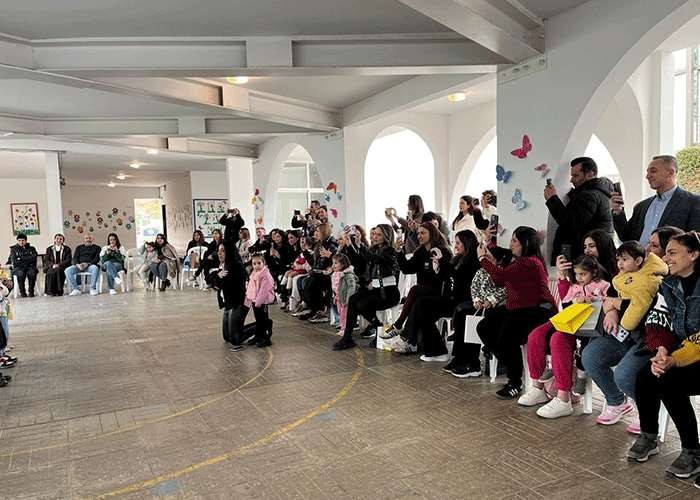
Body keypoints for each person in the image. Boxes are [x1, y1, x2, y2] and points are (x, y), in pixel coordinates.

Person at [625, 231, 700, 484]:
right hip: (680, 352)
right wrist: (660, 350)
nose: (665, 258)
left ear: (693, 254)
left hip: (694, 354)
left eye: (672, 253)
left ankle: (692, 450)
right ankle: (649, 436)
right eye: (666, 253)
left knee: (670, 381)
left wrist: (674, 360)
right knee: (645, 376)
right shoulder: (668, 284)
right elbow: (657, 322)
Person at [518, 256, 611, 418]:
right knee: (535, 335)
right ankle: (537, 387)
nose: (579, 277)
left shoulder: (604, 284)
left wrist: (594, 299)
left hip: (588, 325)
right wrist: (570, 291)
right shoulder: (575, 285)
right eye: (577, 274)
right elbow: (566, 302)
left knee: (557, 339)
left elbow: (609, 302)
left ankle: (564, 397)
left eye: (582, 274)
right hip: (570, 318)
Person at [475, 226, 557, 399]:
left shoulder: (530, 263)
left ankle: (515, 381)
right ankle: (504, 360)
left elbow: (500, 277)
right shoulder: (518, 261)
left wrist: (482, 259)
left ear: (525, 244)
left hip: (539, 310)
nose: (511, 244)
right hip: (519, 307)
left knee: (506, 336)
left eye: (514, 241)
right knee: (484, 327)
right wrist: (491, 258)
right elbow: (501, 279)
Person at [394, 230, 481, 362]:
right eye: (455, 242)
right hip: (450, 298)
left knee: (421, 303)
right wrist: (437, 269)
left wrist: (442, 262)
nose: (456, 246)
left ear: (467, 243)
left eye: (458, 243)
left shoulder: (473, 261)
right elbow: (447, 278)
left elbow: (459, 278)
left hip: (461, 302)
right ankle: (434, 350)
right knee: (421, 306)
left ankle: (411, 339)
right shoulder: (458, 258)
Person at [382, 223, 452, 352]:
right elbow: (407, 269)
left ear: (432, 234)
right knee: (416, 298)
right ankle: (410, 342)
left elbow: (446, 277)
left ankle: (399, 326)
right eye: (418, 233)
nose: (419, 236)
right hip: (422, 293)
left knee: (415, 290)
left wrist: (439, 264)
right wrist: (399, 252)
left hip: (439, 293)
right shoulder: (420, 251)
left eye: (423, 233)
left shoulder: (442, 251)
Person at [333, 224, 400, 351]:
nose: (374, 237)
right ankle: (348, 337)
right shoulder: (374, 249)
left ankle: (378, 326)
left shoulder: (390, 251)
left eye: (378, 234)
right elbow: (360, 259)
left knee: (361, 305)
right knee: (353, 299)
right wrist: (353, 244)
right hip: (377, 290)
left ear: (386, 237)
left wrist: (360, 245)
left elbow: (374, 258)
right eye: (374, 234)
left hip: (388, 293)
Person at [446, 246, 509, 378]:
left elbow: (505, 290)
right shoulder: (481, 271)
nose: (486, 259)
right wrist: (477, 300)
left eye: (489, 257)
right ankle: (460, 357)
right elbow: (474, 286)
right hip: (481, 304)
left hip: (496, 306)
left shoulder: (502, 272)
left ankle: (472, 363)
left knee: (470, 317)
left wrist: (491, 300)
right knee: (462, 310)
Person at [612, 155, 700, 246]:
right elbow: (626, 237)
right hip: (639, 255)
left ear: (670, 173)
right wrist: (618, 212)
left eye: (653, 171)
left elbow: (695, 242)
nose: (647, 176)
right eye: (647, 172)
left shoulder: (693, 202)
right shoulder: (641, 206)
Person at [544, 156, 614, 264]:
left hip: (581, 257)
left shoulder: (589, 196)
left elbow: (570, 223)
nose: (571, 180)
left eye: (575, 175)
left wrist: (552, 199)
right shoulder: (599, 194)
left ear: (590, 174)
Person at [605, 241, 668, 343]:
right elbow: (611, 292)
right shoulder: (625, 273)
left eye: (624, 259)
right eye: (618, 259)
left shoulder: (646, 282)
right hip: (618, 325)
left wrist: (625, 324)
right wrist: (611, 310)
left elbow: (639, 307)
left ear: (638, 261)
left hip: (642, 332)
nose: (620, 263)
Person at [297, 224, 337, 323]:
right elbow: (313, 262)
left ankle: (320, 310)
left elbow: (337, 261)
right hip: (319, 273)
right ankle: (313, 309)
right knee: (306, 282)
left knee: (312, 282)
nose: (316, 233)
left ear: (323, 232)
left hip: (329, 275)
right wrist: (305, 251)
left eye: (318, 231)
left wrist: (330, 256)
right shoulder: (320, 244)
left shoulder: (331, 245)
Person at [213, 240, 248, 348]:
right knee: (227, 337)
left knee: (235, 339)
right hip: (229, 303)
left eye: (223, 251)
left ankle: (262, 325)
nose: (219, 253)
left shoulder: (235, 266)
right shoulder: (224, 265)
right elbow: (213, 281)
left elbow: (221, 284)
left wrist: (216, 277)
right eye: (219, 250)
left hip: (238, 303)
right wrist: (216, 276)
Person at [244, 254, 276, 347]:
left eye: (259, 263)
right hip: (255, 300)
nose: (256, 266)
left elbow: (264, 290)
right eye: (254, 264)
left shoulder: (265, 274)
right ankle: (258, 336)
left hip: (262, 301)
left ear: (263, 263)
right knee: (258, 319)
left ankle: (266, 338)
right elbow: (251, 287)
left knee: (263, 319)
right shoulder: (254, 273)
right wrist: (249, 298)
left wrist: (258, 301)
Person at [331, 253, 359, 338]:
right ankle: (343, 328)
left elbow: (351, 288)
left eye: (336, 263)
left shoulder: (348, 275)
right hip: (339, 298)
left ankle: (345, 330)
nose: (333, 265)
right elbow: (336, 287)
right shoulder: (336, 273)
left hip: (346, 299)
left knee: (345, 315)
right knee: (341, 314)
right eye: (333, 263)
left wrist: (348, 299)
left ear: (343, 264)